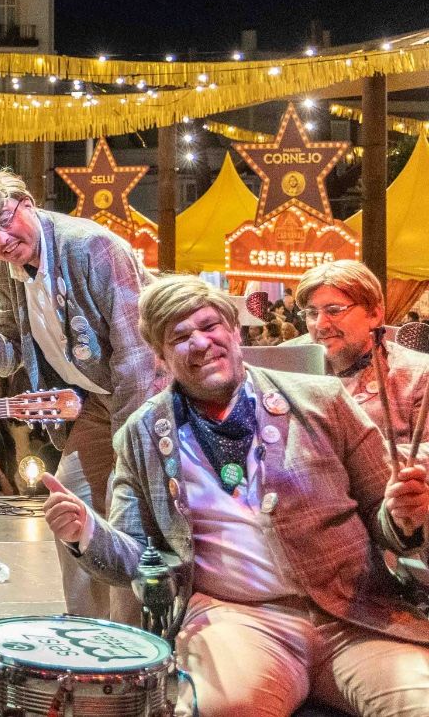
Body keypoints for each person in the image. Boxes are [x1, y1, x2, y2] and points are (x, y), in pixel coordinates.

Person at [43, 274, 429, 717]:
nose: (202, 343)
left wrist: (404, 518)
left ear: (234, 331)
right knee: (226, 708)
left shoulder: (321, 400)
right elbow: (139, 560)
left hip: (351, 611)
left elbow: (388, 520)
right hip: (238, 619)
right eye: (181, 336)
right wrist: (87, 532)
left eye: (210, 327)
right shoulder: (143, 435)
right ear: (161, 356)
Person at [0, 168, 158, 623]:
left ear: (27, 203)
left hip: (144, 399)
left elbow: (138, 356)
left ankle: (131, 641)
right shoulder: (6, 268)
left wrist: (130, 444)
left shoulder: (92, 247)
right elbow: (7, 359)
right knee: (70, 505)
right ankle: (86, 631)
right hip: (96, 404)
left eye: (4, 221)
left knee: (128, 512)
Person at [293, 260, 429, 451]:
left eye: (334, 311)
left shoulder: (418, 375)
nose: (321, 325)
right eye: (312, 313)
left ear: (374, 314)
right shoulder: (288, 363)